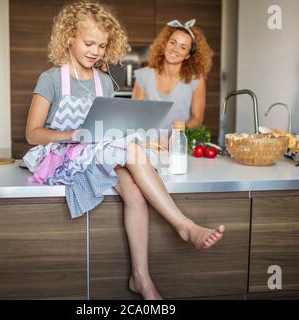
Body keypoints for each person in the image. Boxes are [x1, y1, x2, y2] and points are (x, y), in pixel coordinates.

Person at [24, 1, 225, 300]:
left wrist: (118, 130)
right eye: (89, 43)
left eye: (103, 46)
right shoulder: (51, 79)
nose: (96, 51)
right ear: (69, 37)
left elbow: (107, 127)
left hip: (97, 151)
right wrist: (73, 134)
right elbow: (32, 134)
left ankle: (140, 277)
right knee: (129, 150)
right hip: (61, 154)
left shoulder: (104, 81)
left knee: (133, 191)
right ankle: (183, 226)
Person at [132, 19, 214, 148]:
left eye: (183, 47)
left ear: (188, 55)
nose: (175, 49)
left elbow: (197, 118)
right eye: (172, 42)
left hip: (178, 145)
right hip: (147, 145)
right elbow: (135, 115)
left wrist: (174, 137)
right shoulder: (143, 76)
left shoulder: (196, 80)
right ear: (165, 44)